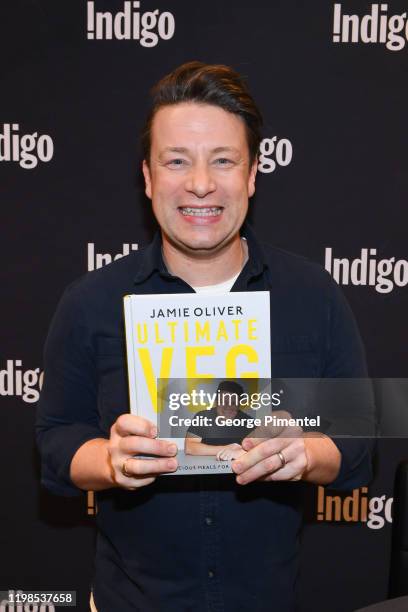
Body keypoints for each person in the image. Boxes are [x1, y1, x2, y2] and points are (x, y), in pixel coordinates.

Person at [36, 61, 374, 612]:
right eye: (177, 161)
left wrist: (305, 453)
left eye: (223, 161)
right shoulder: (90, 301)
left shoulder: (312, 294)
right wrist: (109, 460)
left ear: (252, 175)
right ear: (148, 178)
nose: (200, 184)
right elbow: (55, 444)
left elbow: (355, 447)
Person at [185, 381, 256, 461]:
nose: (228, 407)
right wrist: (228, 448)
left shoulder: (248, 422)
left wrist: (240, 452)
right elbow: (189, 447)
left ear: (239, 405)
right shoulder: (202, 416)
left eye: (233, 403)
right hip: (205, 469)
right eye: (224, 401)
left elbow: (259, 449)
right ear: (216, 401)